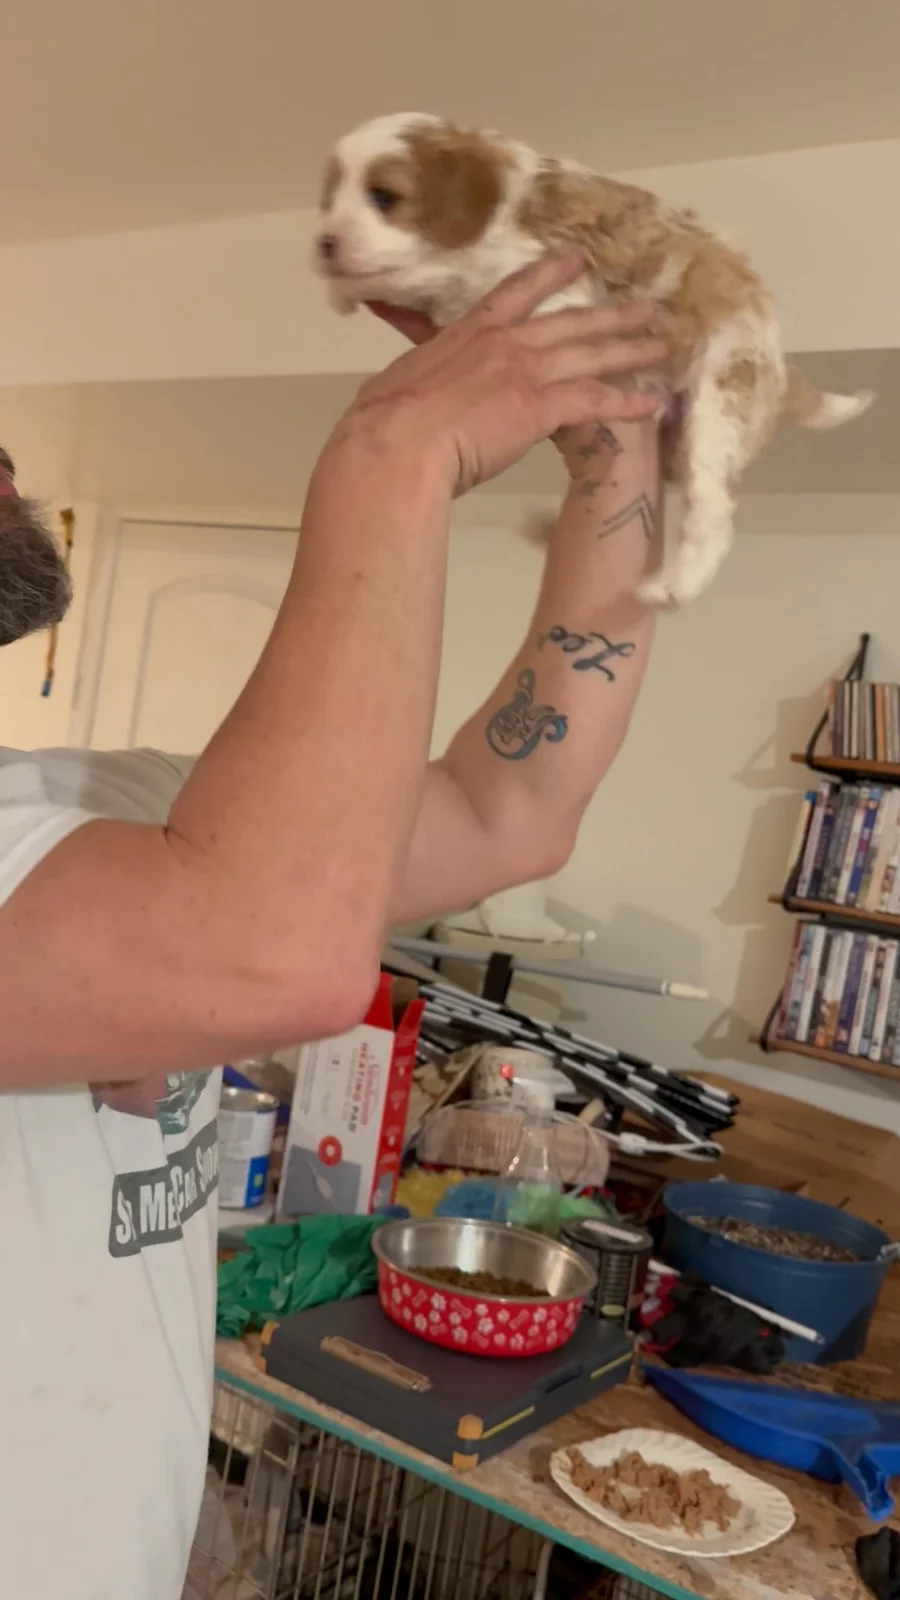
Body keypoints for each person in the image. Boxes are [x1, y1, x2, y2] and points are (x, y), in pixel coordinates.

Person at [0, 251, 666, 1598]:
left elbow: (509, 806)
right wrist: (392, 452)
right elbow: (281, 957)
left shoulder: (100, 806)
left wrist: (617, 456)